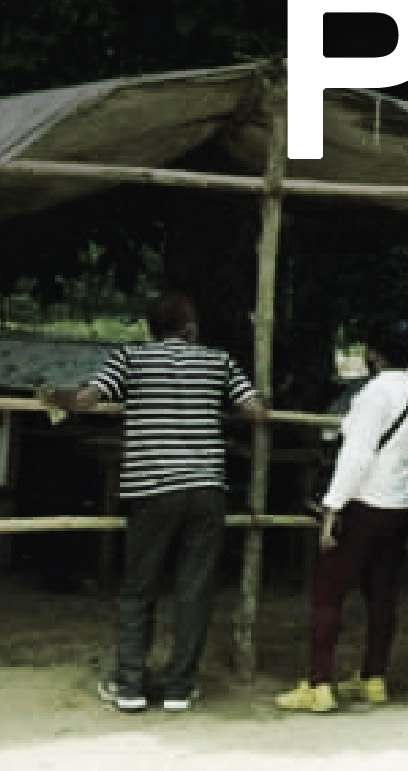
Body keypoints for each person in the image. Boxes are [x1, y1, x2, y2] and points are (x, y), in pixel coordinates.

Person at [40, 295, 267, 714]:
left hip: (152, 487)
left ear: (152, 328)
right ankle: (180, 688)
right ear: (191, 327)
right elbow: (255, 411)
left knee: (139, 588)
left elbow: (86, 399)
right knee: (194, 590)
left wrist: (54, 396)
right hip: (205, 487)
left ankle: (130, 686)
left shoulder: (130, 358)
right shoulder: (219, 361)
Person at [276, 319, 408, 713]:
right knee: (383, 592)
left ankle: (319, 683)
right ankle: (373, 677)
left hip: (364, 502)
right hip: (401, 502)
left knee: (328, 591)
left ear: (374, 354)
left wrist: (332, 508)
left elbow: (356, 455)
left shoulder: (371, 395)